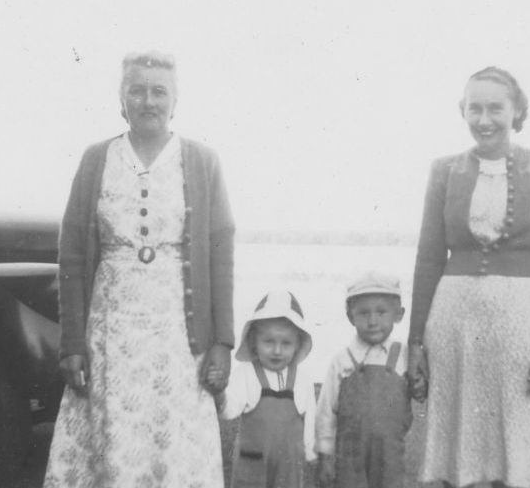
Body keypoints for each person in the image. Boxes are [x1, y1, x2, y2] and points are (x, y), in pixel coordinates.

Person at [43, 51, 236, 488]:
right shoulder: (96, 159)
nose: (148, 101)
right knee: (113, 444)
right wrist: (72, 342)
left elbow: (222, 252)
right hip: (110, 334)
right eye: (137, 90)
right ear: (121, 99)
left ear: (175, 100)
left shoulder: (203, 161)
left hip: (178, 340)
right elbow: (72, 254)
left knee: (173, 446)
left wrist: (223, 340)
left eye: (159, 91)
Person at [407, 67, 530, 488]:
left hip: (520, 325)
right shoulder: (444, 170)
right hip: (453, 324)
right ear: (463, 111)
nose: (484, 120)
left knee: (521, 438)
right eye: (474, 108)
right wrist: (415, 344)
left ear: (516, 110)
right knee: (460, 441)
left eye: (495, 108)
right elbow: (428, 258)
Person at [210, 291, 317, 488]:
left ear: (297, 345)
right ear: (254, 341)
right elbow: (228, 411)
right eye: (268, 341)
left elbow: (309, 427)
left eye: (286, 343)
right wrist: (219, 392)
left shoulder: (302, 381)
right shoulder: (247, 373)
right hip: (252, 466)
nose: (277, 350)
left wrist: (312, 456)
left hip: (289, 468)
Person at [315, 271, 412, 488]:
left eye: (381, 312)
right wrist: (325, 456)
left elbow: (420, 394)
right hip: (350, 456)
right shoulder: (342, 361)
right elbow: (326, 413)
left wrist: (420, 383)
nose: (373, 321)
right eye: (364, 313)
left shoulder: (405, 357)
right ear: (351, 317)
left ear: (398, 314)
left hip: (391, 455)